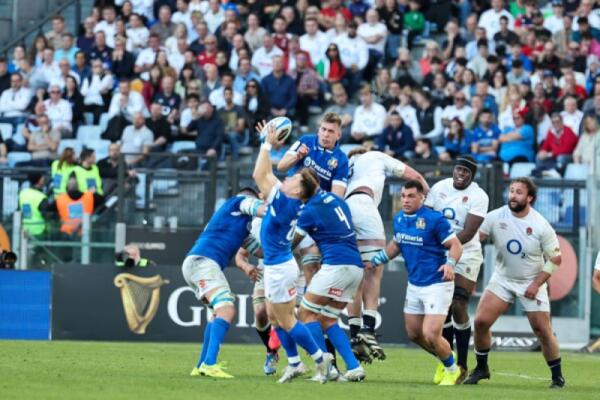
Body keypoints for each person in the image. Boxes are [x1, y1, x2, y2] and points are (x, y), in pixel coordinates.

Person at [464, 177, 565, 389]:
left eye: (519, 192)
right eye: (511, 191)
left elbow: (556, 259)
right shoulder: (495, 217)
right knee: (481, 322)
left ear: (529, 198)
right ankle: (481, 368)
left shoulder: (541, 225)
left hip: (531, 281)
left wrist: (536, 284)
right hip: (502, 279)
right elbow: (474, 239)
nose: (513, 196)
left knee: (542, 330)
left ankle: (557, 377)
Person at [252, 123, 333, 384]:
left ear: (298, 190)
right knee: (275, 318)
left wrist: (267, 144)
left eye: (293, 179)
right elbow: (265, 174)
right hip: (278, 265)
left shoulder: (285, 202)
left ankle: (321, 359)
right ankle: (295, 363)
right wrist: (267, 145)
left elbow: (259, 175)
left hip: (279, 268)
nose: (287, 178)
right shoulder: (289, 198)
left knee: (287, 320)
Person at [368, 180, 463, 385]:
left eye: (411, 196)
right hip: (414, 284)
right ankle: (446, 357)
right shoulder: (399, 219)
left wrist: (450, 264)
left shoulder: (434, 219)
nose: (405, 200)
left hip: (437, 284)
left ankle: (452, 370)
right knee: (414, 334)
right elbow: (396, 245)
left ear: (422, 197)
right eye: (403, 196)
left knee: (430, 333)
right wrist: (375, 261)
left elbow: (455, 245)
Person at [344, 147, 428, 363]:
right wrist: (429, 203)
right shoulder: (375, 156)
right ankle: (368, 329)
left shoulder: (344, 165)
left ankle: (354, 335)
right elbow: (415, 177)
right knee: (373, 272)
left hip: (342, 212)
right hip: (364, 205)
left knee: (354, 279)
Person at [184, 186, 265, 379]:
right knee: (226, 310)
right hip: (204, 262)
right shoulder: (239, 201)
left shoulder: (241, 228)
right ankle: (210, 364)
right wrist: (287, 209)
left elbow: (262, 252)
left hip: (197, 263)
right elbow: (263, 210)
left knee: (217, 313)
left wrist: (288, 247)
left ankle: (201, 365)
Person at [424, 156, 489, 382]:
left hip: (466, 253)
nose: (461, 174)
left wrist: (445, 245)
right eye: (459, 169)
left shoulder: (479, 196)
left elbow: (469, 233)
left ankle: (462, 364)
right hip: (439, 252)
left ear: (472, 175)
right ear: (454, 170)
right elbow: (426, 217)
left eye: (466, 172)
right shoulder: (439, 188)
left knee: (459, 303)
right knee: (443, 308)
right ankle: (447, 362)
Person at [292, 186, 366, 382]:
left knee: (305, 313)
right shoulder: (336, 199)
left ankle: (326, 369)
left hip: (336, 266)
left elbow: (292, 243)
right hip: (355, 267)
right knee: (327, 319)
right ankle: (354, 367)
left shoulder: (309, 210)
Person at [234, 216, 282, 376]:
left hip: (294, 274)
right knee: (261, 313)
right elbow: (240, 255)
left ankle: (306, 360)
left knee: (295, 316)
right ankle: (271, 352)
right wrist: (245, 266)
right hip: (266, 274)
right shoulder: (257, 224)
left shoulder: (294, 218)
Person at [18, 173, 50, 238]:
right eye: (42, 179)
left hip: (25, 229)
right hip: (39, 231)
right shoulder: (41, 197)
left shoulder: (23, 193)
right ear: (39, 181)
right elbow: (47, 215)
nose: (44, 180)